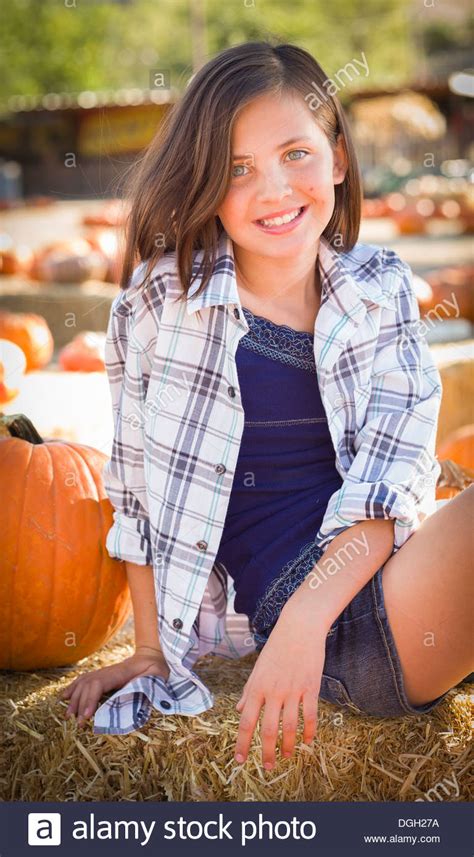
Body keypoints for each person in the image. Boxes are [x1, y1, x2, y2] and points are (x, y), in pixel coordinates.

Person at [58, 40, 473, 772]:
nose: (273, 190)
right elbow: (135, 491)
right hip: (335, 631)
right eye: (237, 169)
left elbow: (392, 477)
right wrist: (151, 651)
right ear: (207, 183)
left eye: (295, 154)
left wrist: (307, 621)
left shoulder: (381, 291)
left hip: (371, 588)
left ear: (338, 158)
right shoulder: (162, 302)